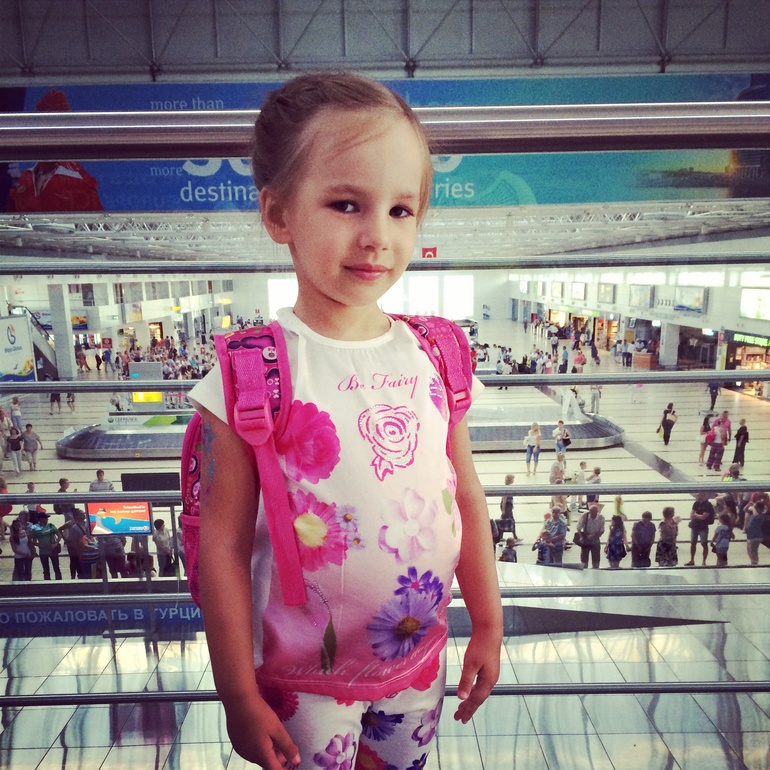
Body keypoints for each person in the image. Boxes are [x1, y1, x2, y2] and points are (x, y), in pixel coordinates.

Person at [188, 72, 502, 769]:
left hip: (416, 657)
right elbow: (223, 549)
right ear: (278, 215)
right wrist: (237, 693)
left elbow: (465, 497)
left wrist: (486, 620)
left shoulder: (436, 354)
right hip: (303, 680)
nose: (377, 236)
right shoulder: (250, 375)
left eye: (401, 209)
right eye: (346, 204)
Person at [58, 507, 90, 580]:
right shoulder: (71, 523)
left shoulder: (85, 523)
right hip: (73, 545)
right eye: (82, 514)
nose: (84, 515)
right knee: (74, 560)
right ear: (76, 515)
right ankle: (73, 576)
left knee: (81, 560)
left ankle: (81, 575)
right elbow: (60, 529)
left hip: (83, 544)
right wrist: (65, 539)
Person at [685, 492, 715, 566]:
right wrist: (698, 516)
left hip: (703, 527)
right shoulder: (696, 503)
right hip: (695, 526)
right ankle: (692, 559)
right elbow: (692, 514)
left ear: (702, 495)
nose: (696, 496)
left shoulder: (708, 505)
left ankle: (704, 561)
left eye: (698, 495)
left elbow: (704, 517)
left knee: (704, 543)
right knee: (693, 543)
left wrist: (696, 515)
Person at [30, 512, 62, 580]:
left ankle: (59, 581)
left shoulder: (51, 526)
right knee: (45, 569)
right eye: (45, 518)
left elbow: (59, 535)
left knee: (56, 567)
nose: (47, 519)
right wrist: (41, 546)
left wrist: (55, 543)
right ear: (41, 519)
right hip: (43, 551)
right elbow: (33, 541)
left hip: (53, 550)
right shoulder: (35, 528)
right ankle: (47, 582)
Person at [576, 504, 605, 569]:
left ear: (597, 512)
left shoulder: (601, 518)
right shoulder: (585, 516)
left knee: (596, 558)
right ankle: (584, 568)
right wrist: (581, 537)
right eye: (591, 512)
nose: (592, 514)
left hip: (595, 538)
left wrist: (595, 536)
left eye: (594, 512)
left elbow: (602, 530)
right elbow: (578, 527)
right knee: (584, 557)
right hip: (586, 538)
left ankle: (595, 568)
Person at [497, 474, 520, 542]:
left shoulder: (508, 487)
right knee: (511, 521)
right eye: (513, 479)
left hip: (508, 506)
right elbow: (504, 499)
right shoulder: (507, 488)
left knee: (503, 521)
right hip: (507, 507)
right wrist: (503, 510)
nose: (513, 480)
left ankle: (500, 537)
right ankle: (515, 536)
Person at [744, 500, 767, 567]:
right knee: (749, 550)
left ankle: (755, 563)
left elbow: (756, 515)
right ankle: (753, 562)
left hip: (756, 536)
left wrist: (754, 507)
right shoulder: (753, 514)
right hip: (750, 535)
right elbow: (745, 510)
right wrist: (749, 504)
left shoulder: (761, 515)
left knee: (753, 551)